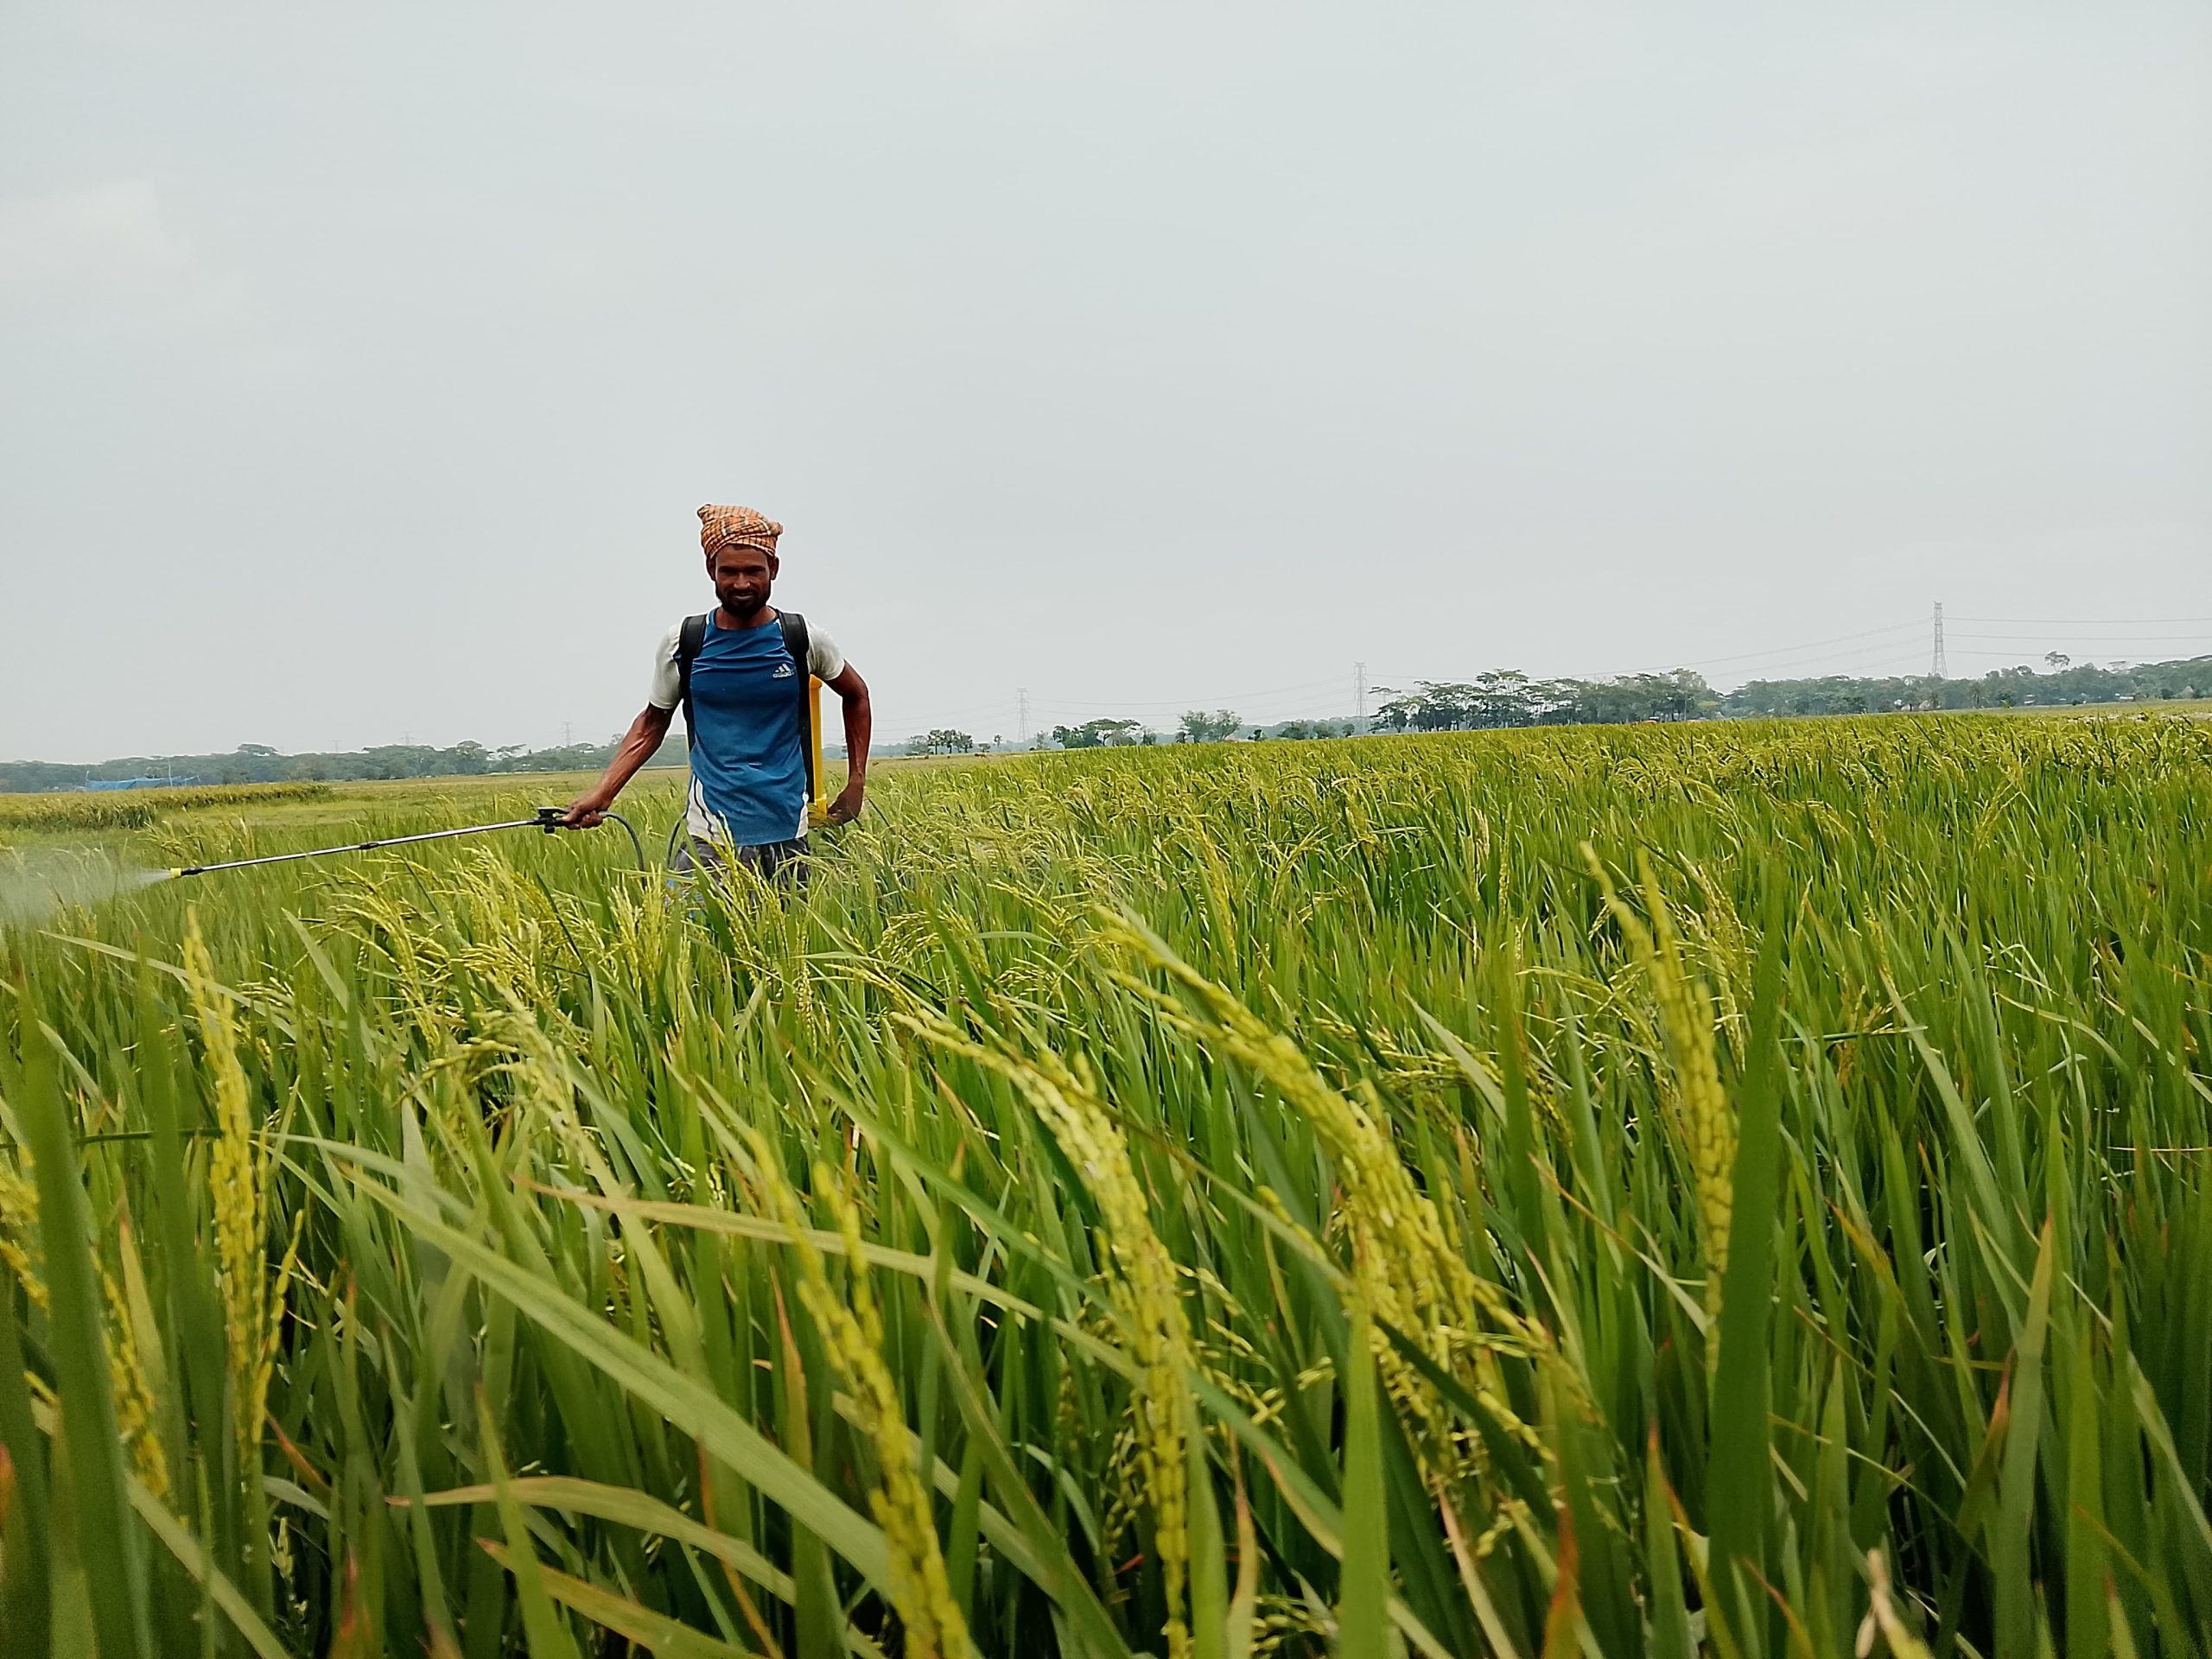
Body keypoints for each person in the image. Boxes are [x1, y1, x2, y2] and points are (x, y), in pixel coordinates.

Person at [563, 504, 872, 886]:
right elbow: (651, 723)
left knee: (787, 940)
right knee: (691, 937)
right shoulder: (685, 641)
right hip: (709, 832)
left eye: (753, 571)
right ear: (711, 570)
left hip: (788, 830)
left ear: (773, 570)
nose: (741, 583)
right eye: (729, 571)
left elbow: (856, 694)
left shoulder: (802, 637)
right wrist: (603, 793)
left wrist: (856, 779)